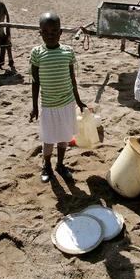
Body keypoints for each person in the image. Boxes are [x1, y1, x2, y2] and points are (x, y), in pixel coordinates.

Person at [29, 12, 87, 183]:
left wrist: (78, 100)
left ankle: (60, 164)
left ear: (60, 32)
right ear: (40, 33)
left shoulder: (68, 51)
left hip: (67, 104)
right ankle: (46, 165)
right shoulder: (37, 53)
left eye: (54, 32)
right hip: (48, 105)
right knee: (48, 139)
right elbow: (35, 82)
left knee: (64, 137)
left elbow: (72, 79)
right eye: (45, 32)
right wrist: (34, 106)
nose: (50, 36)